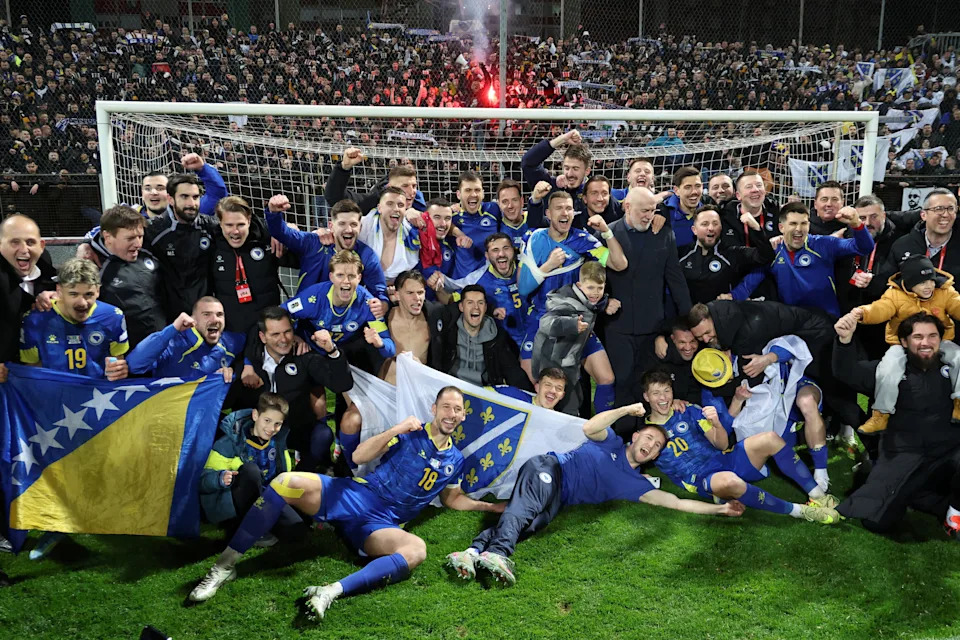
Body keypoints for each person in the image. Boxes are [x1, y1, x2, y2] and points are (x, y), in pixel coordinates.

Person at [189, 387, 504, 623]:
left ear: (463, 416)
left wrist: (490, 509)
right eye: (445, 406)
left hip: (382, 525)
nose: (451, 413)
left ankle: (329, 592)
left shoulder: (456, 461)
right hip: (358, 494)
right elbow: (358, 457)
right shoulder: (410, 433)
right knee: (283, 482)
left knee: (417, 550)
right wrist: (396, 429)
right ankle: (223, 567)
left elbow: (452, 499)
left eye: (457, 409)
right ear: (434, 408)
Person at [445, 402, 744, 585]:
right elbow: (591, 427)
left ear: (653, 457)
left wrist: (720, 509)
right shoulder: (611, 441)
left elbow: (677, 503)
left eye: (656, 447)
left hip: (559, 498)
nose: (650, 446)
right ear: (636, 435)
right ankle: (498, 553)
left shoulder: (636, 484)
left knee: (532, 523)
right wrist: (627, 410)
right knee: (525, 509)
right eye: (649, 438)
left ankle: (471, 553)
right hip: (549, 468)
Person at [641, 371, 840, 524]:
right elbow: (630, 458)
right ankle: (802, 512)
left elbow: (722, 444)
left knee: (770, 438)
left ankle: (819, 496)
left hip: (724, 458)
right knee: (730, 482)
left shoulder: (688, 411)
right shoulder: (644, 434)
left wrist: (716, 423)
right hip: (702, 478)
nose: (663, 398)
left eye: (666, 391)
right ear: (646, 396)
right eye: (656, 393)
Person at [833, 312, 960, 535]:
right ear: (903, 341)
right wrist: (845, 341)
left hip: (948, 452)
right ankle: (921, 495)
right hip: (904, 455)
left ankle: (954, 513)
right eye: (918, 337)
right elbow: (846, 373)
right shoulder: (888, 370)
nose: (926, 343)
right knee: (877, 522)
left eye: (932, 336)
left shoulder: (954, 368)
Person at [686, 300, 833, 488]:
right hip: (768, 419)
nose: (706, 339)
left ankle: (821, 474)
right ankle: (811, 439)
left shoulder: (746, 341)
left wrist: (768, 359)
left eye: (708, 333)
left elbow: (790, 345)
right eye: (701, 338)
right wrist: (737, 402)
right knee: (760, 457)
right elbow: (724, 433)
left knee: (806, 401)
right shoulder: (711, 386)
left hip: (792, 386)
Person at [518, 191, 627, 381]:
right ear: (548, 214)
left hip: (576, 322)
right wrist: (548, 266)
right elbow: (523, 288)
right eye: (559, 208)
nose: (565, 213)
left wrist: (606, 232)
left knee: (606, 378)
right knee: (536, 381)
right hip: (542, 320)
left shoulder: (583, 241)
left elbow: (619, 264)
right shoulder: (534, 239)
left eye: (569, 208)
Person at [844, 255, 960, 433]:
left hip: (939, 342)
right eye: (922, 282)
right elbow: (880, 308)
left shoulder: (944, 290)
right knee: (888, 366)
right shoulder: (894, 294)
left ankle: (959, 405)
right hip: (902, 344)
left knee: (958, 356)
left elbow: (957, 305)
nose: (928, 286)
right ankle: (880, 414)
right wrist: (862, 313)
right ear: (909, 282)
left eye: (931, 280)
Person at [604, 187, 691, 418]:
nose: (649, 216)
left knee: (649, 384)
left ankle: (650, 432)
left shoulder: (664, 234)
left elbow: (676, 280)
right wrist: (603, 302)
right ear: (627, 207)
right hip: (617, 327)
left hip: (652, 327)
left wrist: (687, 320)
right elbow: (594, 278)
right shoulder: (607, 234)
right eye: (644, 210)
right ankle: (622, 437)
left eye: (652, 210)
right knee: (621, 383)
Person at [239, 307, 353, 472]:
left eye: (287, 332)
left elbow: (341, 385)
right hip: (259, 429)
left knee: (323, 434)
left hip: (296, 428)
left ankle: (301, 475)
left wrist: (332, 351)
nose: (284, 339)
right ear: (263, 337)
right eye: (275, 334)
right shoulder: (250, 362)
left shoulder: (304, 357)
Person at [733, 202, 874, 319]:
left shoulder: (823, 244)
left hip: (826, 319)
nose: (799, 229)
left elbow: (864, 247)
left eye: (804, 223)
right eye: (793, 223)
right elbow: (750, 282)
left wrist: (857, 224)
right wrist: (731, 297)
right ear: (781, 227)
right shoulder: (774, 252)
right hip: (792, 321)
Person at [199, 392, 301, 546]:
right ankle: (250, 528)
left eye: (277, 424)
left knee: (297, 530)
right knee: (250, 470)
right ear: (255, 415)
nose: (271, 428)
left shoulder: (279, 442)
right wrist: (220, 478)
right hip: (233, 505)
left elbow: (284, 475)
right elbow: (203, 482)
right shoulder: (230, 441)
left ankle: (266, 523)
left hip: (267, 498)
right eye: (267, 420)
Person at [265, 196, 388, 313]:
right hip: (307, 318)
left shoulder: (366, 255)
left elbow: (378, 291)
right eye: (342, 224)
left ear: (360, 228)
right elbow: (282, 233)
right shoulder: (313, 243)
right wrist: (274, 213)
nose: (349, 229)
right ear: (331, 226)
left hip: (346, 322)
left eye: (353, 224)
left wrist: (382, 304)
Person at [19, 257, 129, 381]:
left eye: (89, 294)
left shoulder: (113, 317)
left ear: (98, 291)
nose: (82, 303)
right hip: (53, 395)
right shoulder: (34, 320)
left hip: (97, 395)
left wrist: (119, 370)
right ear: (59, 290)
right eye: (73, 294)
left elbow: (118, 360)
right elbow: (32, 369)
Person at [282, 249, 395, 370]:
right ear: (331, 277)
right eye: (340, 275)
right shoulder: (313, 298)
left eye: (351, 276)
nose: (346, 281)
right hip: (310, 347)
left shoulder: (368, 304)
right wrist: (293, 335)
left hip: (343, 352)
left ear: (359, 278)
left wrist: (380, 343)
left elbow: (391, 349)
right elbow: (281, 312)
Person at [531, 261, 618, 416]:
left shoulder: (592, 301)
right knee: (565, 407)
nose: (595, 293)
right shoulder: (564, 301)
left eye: (600, 288)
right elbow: (545, 324)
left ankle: (603, 430)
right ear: (579, 285)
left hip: (573, 355)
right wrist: (571, 325)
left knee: (600, 383)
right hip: (553, 361)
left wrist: (606, 303)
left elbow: (594, 304)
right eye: (590, 287)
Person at [142, 173, 220, 321]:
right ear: (171, 199)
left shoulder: (210, 227)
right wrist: (87, 245)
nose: (192, 203)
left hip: (204, 315)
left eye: (195, 197)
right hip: (167, 316)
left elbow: (242, 224)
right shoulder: (153, 230)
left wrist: (273, 235)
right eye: (184, 197)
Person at [433, 285, 530, 390]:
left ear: (485, 308)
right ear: (461, 307)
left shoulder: (497, 337)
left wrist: (532, 400)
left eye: (480, 303)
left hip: (483, 395)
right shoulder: (448, 331)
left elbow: (514, 373)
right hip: (450, 389)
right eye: (470, 303)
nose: (476, 307)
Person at [94, 205, 165, 347]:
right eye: (130, 238)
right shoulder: (95, 269)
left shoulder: (149, 257)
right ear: (108, 237)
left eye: (140, 236)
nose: (138, 244)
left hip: (162, 345)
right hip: (124, 352)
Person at [209, 195, 280, 334]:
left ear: (248, 220)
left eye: (240, 224)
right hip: (230, 331)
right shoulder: (211, 245)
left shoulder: (268, 238)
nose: (235, 231)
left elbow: (304, 251)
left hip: (266, 329)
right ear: (220, 223)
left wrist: (285, 231)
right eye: (229, 225)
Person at [126, 297, 242, 381]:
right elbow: (134, 365)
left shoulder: (230, 342)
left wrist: (246, 366)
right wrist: (173, 329)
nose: (215, 319)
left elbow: (254, 339)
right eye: (206, 314)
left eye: (219, 314)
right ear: (193, 320)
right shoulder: (174, 343)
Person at [678, 205, 774, 305]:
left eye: (715, 223)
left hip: (722, 317)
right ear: (694, 230)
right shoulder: (681, 254)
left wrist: (756, 229)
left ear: (721, 227)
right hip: (689, 317)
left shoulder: (731, 253)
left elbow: (766, 256)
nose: (711, 228)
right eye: (705, 224)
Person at [0, 214, 54, 371]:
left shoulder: (48, 270)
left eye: (31, 242)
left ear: (41, 245)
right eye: (14, 242)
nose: (24, 250)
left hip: (39, 373)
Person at [521, 129, 593, 227]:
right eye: (567, 168)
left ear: (587, 171)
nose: (570, 173)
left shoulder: (594, 193)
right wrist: (562, 139)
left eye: (575, 169)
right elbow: (528, 163)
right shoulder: (550, 186)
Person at [886, 189, 960, 281]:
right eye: (939, 209)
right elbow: (888, 284)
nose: (945, 214)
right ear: (923, 215)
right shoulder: (902, 246)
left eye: (951, 209)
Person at [324, 150, 426, 213]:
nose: (412, 191)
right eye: (405, 186)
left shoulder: (421, 208)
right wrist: (343, 168)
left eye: (414, 186)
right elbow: (336, 199)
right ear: (389, 187)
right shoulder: (373, 203)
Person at [357, 186, 422, 281]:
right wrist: (327, 233)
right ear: (379, 208)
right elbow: (339, 228)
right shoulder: (363, 226)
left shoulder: (413, 233)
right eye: (390, 204)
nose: (396, 209)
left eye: (400, 205)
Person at [475, 233, 525, 349]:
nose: (501, 254)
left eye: (506, 248)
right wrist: (491, 311)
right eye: (495, 250)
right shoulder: (481, 282)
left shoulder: (527, 270)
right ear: (487, 256)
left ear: (513, 250)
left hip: (534, 337)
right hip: (506, 346)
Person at [450, 170, 501, 278]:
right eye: (468, 190)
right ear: (458, 194)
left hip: (493, 282)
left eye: (477, 190)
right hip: (464, 284)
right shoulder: (451, 217)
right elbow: (432, 221)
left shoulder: (493, 209)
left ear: (483, 193)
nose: (473, 194)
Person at [719, 169, 780, 248]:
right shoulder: (728, 216)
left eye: (759, 185)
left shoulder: (776, 212)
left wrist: (756, 228)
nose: (755, 190)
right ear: (738, 195)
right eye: (749, 187)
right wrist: (757, 229)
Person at [419, 198, 459, 303]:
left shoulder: (451, 249)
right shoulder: (413, 243)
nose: (443, 224)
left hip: (438, 309)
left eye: (447, 218)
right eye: (437, 217)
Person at [657, 166, 705, 247]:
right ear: (676, 190)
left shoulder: (709, 209)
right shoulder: (663, 213)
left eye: (697, 186)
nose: (694, 192)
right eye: (688, 187)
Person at [496, 367, 568, 410]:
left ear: (562, 395)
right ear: (537, 387)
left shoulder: (559, 426)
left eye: (558, 388)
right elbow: (484, 394)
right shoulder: (512, 395)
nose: (553, 391)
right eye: (548, 385)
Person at [495, 179, 529, 251]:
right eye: (505, 201)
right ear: (499, 204)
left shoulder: (535, 221)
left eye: (514, 200)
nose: (510, 206)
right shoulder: (495, 227)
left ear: (522, 201)